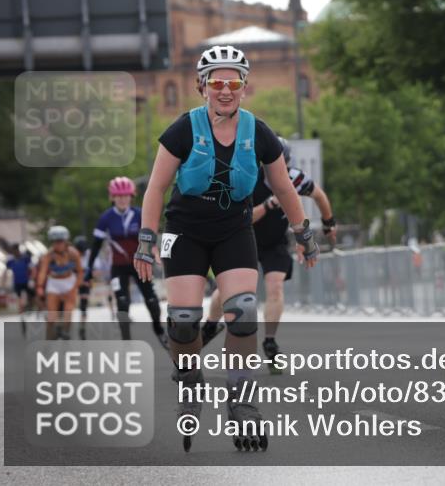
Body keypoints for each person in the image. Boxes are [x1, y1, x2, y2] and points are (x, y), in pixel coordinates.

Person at [134, 44, 318, 452]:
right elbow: (157, 188)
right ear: (202, 87)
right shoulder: (183, 129)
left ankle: (242, 402)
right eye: (216, 81)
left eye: (233, 82)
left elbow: (284, 187)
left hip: (234, 228)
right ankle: (189, 379)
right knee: (183, 319)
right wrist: (146, 239)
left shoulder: (259, 132)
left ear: (243, 87)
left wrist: (303, 233)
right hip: (185, 230)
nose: (225, 89)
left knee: (242, 312)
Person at [200, 135, 337, 373]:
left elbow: (319, 196)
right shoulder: (248, 178)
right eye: (271, 166)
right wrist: (270, 205)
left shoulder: (295, 179)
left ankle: (270, 341)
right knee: (227, 291)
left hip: (274, 241)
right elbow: (245, 217)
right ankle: (211, 325)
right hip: (245, 237)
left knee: (275, 287)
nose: (277, 172)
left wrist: (328, 223)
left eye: (281, 165)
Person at [82, 177, 167, 348]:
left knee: (151, 300)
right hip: (118, 267)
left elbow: (150, 238)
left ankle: (159, 329)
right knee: (122, 302)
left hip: (139, 264)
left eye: (125, 196)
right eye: (118, 196)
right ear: (112, 197)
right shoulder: (106, 218)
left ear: (131, 196)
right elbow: (96, 245)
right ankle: (126, 340)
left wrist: (156, 256)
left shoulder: (139, 214)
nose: (122, 199)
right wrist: (89, 268)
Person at [35, 226, 84, 340]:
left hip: (69, 282)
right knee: (52, 314)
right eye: (54, 242)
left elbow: (80, 273)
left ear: (65, 241)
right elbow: (42, 272)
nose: (57, 245)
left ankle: (66, 331)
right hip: (54, 283)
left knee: (68, 310)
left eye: (60, 241)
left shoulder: (73, 253)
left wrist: (73, 289)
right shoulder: (49, 255)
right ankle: (51, 334)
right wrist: (40, 286)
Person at [6, 244, 35, 332]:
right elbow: (6, 272)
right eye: (13, 251)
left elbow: (32, 269)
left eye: (16, 250)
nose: (15, 252)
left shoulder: (25, 258)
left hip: (26, 281)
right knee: (19, 301)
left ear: (18, 250)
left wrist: (32, 279)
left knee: (32, 295)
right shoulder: (10, 261)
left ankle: (30, 306)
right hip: (17, 283)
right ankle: (22, 316)